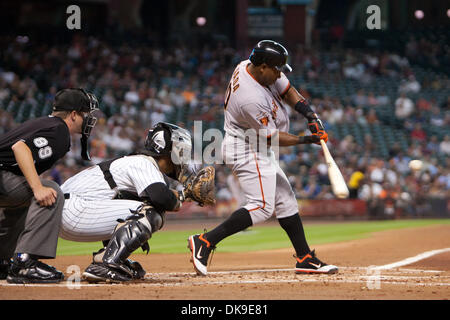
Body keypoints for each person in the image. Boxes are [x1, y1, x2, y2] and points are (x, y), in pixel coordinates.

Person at [188, 40, 338, 275]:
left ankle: (305, 258)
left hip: (255, 144)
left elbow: (287, 90)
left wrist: (309, 114)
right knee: (262, 207)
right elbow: (272, 138)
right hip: (246, 148)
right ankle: (205, 241)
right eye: (276, 69)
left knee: (286, 199)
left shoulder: (253, 66)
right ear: (263, 67)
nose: (279, 74)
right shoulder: (250, 98)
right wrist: (306, 140)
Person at [59, 122, 193, 283]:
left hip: (66, 211)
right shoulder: (144, 162)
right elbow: (162, 198)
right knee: (152, 212)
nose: (183, 157)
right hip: (74, 211)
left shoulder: (135, 161)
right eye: (182, 151)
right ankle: (107, 264)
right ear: (169, 149)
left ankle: (110, 257)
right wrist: (184, 197)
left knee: (132, 202)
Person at [0, 88, 98, 283]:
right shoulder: (59, 130)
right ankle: (25, 263)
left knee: (26, 199)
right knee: (49, 190)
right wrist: (38, 188)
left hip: (4, 177)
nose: (88, 119)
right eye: (85, 114)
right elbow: (20, 148)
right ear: (73, 115)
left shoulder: (45, 123)